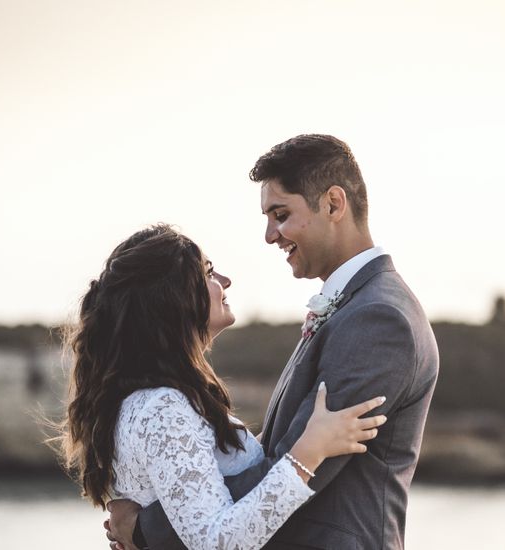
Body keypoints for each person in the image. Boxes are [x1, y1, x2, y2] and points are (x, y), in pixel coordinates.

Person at [108, 135, 440, 549]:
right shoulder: (352, 308)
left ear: (334, 204)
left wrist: (145, 527)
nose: (270, 235)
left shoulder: (379, 321)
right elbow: (284, 457)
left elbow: (296, 464)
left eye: (281, 214)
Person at [58, 224, 388, 550]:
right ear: (173, 298)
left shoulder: (144, 403)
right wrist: (309, 453)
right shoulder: (163, 408)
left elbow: (208, 488)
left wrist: (144, 530)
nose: (225, 281)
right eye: (209, 273)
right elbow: (215, 544)